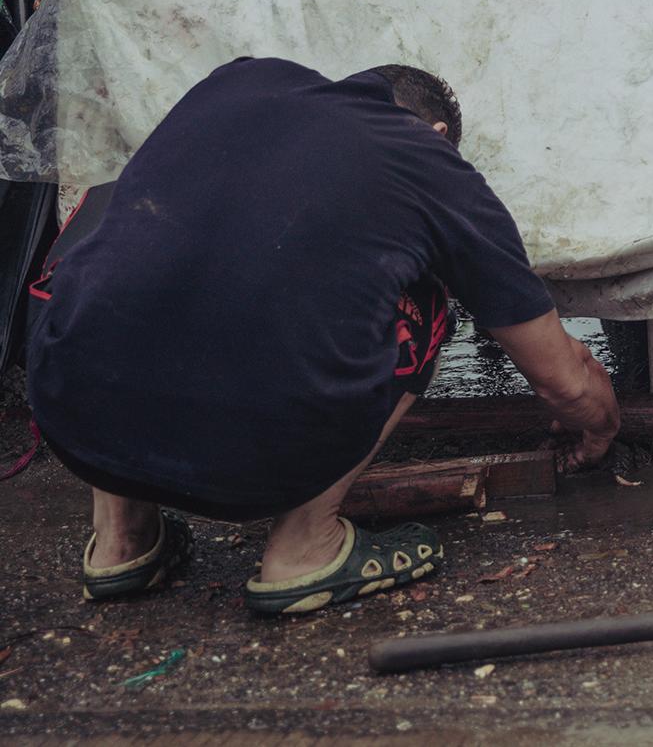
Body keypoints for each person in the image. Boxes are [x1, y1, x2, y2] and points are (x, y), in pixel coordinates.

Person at [26, 58, 620, 615]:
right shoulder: (427, 159)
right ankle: (305, 547)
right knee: (430, 295)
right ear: (436, 131)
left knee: (120, 216)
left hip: (75, 422)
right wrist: (599, 427)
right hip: (254, 466)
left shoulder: (239, 83)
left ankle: (121, 544)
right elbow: (558, 377)